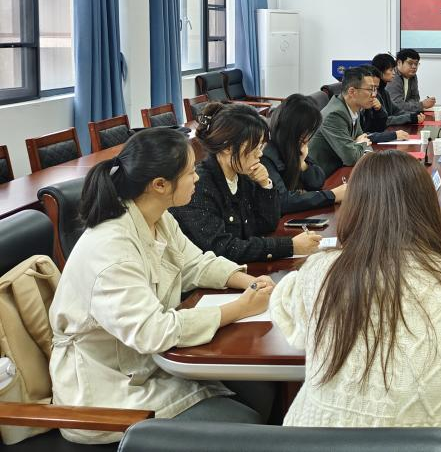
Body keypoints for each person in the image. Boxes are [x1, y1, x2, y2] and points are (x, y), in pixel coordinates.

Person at [270, 150, 441, 451]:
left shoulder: (319, 271)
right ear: (427, 208)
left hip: (311, 443)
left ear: (353, 209)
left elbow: (287, 315)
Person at [49, 128, 277, 445]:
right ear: (160, 185)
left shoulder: (158, 217)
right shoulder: (110, 249)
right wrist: (240, 308)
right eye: (190, 172)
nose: (197, 177)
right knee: (245, 421)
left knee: (263, 390)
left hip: (146, 365)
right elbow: (152, 331)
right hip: (106, 390)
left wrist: (249, 282)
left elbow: (194, 263)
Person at [171, 102, 321, 263]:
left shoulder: (245, 175)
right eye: (254, 147)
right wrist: (289, 246)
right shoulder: (199, 186)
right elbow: (223, 248)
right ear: (227, 147)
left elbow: (267, 225)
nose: (259, 154)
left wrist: (265, 185)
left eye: (261, 146)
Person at [262, 93, 346, 213]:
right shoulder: (266, 156)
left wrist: (302, 164)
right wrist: (332, 195)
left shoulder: (294, 145)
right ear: (294, 129)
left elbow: (318, 182)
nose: (308, 136)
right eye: (307, 131)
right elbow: (282, 201)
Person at [307, 66, 377, 177]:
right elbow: (351, 158)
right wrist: (360, 143)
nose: (374, 95)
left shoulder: (353, 107)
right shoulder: (334, 115)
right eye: (370, 90)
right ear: (352, 92)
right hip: (324, 177)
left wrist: (358, 144)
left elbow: (363, 138)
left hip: (340, 168)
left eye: (374, 89)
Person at [360, 57, 413, 144]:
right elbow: (362, 135)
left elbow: (380, 127)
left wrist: (379, 110)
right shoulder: (343, 112)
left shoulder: (383, 93)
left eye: (375, 88)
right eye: (391, 70)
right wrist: (393, 135)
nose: (374, 94)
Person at [387, 48, 435, 117]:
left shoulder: (413, 76)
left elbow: (415, 98)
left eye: (416, 64)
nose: (414, 67)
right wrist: (422, 105)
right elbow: (397, 105)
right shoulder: (393, 77)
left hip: (404, 115)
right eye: (410, 63)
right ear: (399, 63)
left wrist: (407, 104)